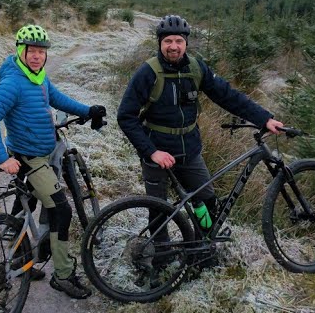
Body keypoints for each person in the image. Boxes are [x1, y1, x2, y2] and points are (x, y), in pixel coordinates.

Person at [117, 14, 283, 267]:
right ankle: (161, 260)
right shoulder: (148, 73)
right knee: (159, 208)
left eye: (179, 41)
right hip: (157, 151)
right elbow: (126, 116)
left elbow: (228, 96)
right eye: (168, 41)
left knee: (205, 200)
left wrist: (263, 118)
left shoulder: (196, 68)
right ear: (160, 43)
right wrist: (151, 152)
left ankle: (200, 250)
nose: (174, 46)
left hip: (190, 151)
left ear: (186, 43)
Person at [0, 24, 106, 299]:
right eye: (31, 51)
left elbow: (56, 98)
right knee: (62, 212)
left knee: (25, 205)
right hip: (30, 158)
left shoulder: (38, 77)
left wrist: (87, 110)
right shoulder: (13, 82)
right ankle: (62, 275)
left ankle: (14, 259)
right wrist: (1, 159)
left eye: (41, 51)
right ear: (20, 51)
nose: (37, 56)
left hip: (41, 153)